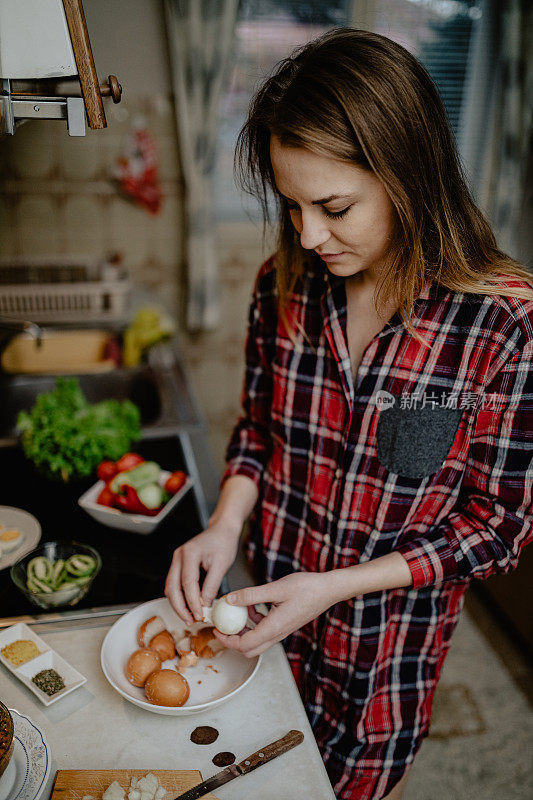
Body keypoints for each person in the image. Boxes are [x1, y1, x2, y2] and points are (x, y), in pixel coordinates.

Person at [165, 28, 533, 800]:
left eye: (333, 206)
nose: (306, 234)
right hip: (266, 629)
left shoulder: (502, 324)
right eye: (291, 205)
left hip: (383, 664)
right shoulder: (284, 284)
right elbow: (260, 432)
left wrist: (333, 586)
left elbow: (498, 525)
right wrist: (224, 526)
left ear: (408, 174)